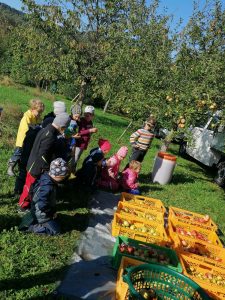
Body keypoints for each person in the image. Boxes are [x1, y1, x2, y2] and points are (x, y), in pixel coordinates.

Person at [18, 112, 70, 211]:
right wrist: (47, 167)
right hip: (36, 167)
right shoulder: (50, 135)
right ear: (62, 126)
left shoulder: (46, 129)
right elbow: (42, 154)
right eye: (64, 128)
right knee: (29, 187)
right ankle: (22, 206)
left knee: (32, 186)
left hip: (33, 163)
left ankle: (28, 203)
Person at [19, 158, 70, 235]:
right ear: (57, 176)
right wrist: (50, 213)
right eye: (63, 177)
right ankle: (32, 227)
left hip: (39, 209)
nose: (64, 178)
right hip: (41, 213)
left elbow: (32, 189)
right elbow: (42, 204)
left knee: (56, 221)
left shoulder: (45, 176)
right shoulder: (47, 187)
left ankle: (35, 218)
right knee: (56, 231)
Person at [7, 99, 45, 176]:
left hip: (28, 141)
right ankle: (10, 167)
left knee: (23, 155)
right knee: (17, 154)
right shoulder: (27, 117)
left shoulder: (35, 117)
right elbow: (27, 129)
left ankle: (19, 167)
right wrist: (36, 128)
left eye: (41, 113)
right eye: (39, 112)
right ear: (32, 109)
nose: (39, 114)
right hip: (22, 140)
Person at [71, 105, 98, 171]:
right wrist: (90, 130)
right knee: (75, 158)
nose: (86, 117)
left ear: (92, 116)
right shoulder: (82, 121)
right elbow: (80, 132)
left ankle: (72, 170)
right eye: (85, 115)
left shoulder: (90, 122)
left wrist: (91, 132)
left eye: (88, 116)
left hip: (83, 144)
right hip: (78, 143)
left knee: (77, 157)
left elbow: (88, 132)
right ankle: (70, 170)